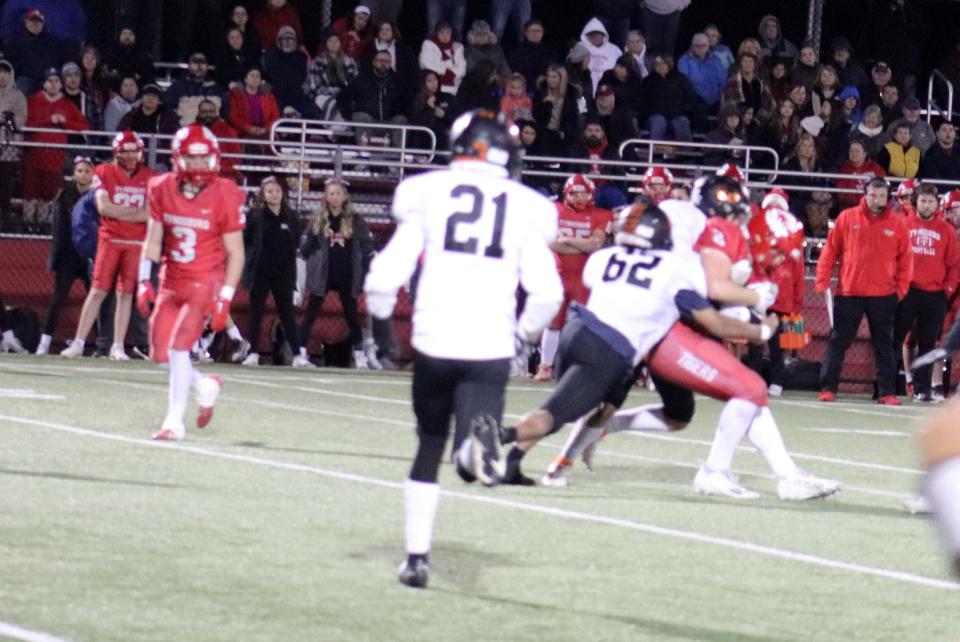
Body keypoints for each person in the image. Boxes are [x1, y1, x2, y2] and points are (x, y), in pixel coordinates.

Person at [535, 176, 840, 500]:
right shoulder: (693, 228)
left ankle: (566, 460)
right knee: (749, 388)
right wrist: (754, 306)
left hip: (667, 325)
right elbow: (709, 290)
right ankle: (731, 473)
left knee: (678, 414)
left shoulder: (708, 233)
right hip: (660, 329)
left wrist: (747, 297)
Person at [363, 110, 563, 588]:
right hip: (489, 342)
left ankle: (416, 559)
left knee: (428, 444)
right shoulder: (528, 206)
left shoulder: (426, 193)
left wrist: (382, 326)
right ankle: (475, 449)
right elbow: (548, 294)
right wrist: (523, 336)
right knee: (471, 447)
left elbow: (385, 273)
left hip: (434, 338)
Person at [137, 124, 245, 441]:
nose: (199, 166)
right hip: (171, 281)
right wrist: (144, 279)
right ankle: (203, 384)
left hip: (205, 281)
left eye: (204, 158)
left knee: (180, 347)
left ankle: (174, 421)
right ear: (178, 159)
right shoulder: (161, 187)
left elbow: (236, 254)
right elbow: (153, 240)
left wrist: (225, 296)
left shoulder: (225, 192)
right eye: (192, 159)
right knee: (160, 356)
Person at [815, 177, 913, 404]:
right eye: (873, 195)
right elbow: (829, 252)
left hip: (884, 295)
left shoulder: (898, 224)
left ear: (888, 196)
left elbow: (906, 261)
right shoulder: (847, 218)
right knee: (838, 341)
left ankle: (887, 392)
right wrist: (822, 280)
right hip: (849, 292)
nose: (876, 199)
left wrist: (900, 291)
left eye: (881, 195)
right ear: (865, 195)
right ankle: (828, 388)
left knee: (884, 345)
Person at [61, 132, 158, 360]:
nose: (131, 155)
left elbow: (152, 213)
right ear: (117, 152)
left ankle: (118, 346)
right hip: (110, 240)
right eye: (126, 150)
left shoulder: (151, 177)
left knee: (125, 295)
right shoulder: (104, 172)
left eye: (134, 150)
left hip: (135, 244)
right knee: (98, 291)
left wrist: (122, 212)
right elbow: (104, 208)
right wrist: (137, 214)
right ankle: (78, 342)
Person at [534, 174, 612, 382]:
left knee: (585, 326)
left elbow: (595, 244)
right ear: (566, 193)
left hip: (585, 278)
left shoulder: (601, 214)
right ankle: (545, 366)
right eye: (575, 192)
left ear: (592, 194)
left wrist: (566, 239)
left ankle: (583, 369)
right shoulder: (555, 209)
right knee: (553, 322)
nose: (579, 197)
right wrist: (581, 244)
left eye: (584, 192)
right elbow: (549, 242)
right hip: (557, 275)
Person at [298, 179, 374, 368]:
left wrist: (365, 266)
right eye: (331, 193)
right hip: (323, 273)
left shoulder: (355, 219)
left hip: (346, 274)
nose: (335, 197)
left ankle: (360, 357)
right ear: (326, 196)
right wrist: (310, 242)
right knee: (310, 314)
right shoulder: (318, 218)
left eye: (338, 193)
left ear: (344, 196)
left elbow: (367, 246)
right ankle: (299, 353)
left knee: (351, 316)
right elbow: (305, 247)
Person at [895, 182, 958, 402]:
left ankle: (922, 389)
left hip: (934, 295)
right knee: (895, 339)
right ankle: (886, 387)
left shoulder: (947, 231)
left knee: (928, 344)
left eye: (931, 201)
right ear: (915, 201)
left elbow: (954, 264)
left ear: (937, 204)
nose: (927, 204)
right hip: (907, 291)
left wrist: (946, 290)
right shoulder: (903, 224)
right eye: (923, 200)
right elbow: (894, 257)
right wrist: (898, 286)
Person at [238, 175, 305, 367]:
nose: (274, 195)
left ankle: (297, 355)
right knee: (256, 312)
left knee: (287, 314)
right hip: (260, 271)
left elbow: (295, 243)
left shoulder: (291, 216)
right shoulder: (256, 215)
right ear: (263, 195)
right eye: (270, 192)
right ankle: (253, 353)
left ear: (282, 193)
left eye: (277, 191)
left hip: (283, 272)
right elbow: (246, 240)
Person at [36, 157, 95, 355]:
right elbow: (58, 230)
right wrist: (56, 257)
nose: (84, 174)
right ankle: (44, 343)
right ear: (73, 173)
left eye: (87, 171)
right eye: (80, 171)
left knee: (95, 299)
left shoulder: (98, 196)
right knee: (58, 299)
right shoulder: (64, 195)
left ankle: (103, 344)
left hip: (89, 255)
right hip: (68, 257)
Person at [22, 67, 88, 229]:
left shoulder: (67, 104)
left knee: (48, 194)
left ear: (61, 84)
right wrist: (48, 120)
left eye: (56, 81)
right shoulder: (34, 100)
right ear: (44, 84)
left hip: (55, 157)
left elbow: (83, 126)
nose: (53, 85)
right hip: (34, 155)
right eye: (50, 81)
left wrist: (63, 122)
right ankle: (27, 224)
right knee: (30, 192)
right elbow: (26, 124)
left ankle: (43, 225)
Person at [304, 29, 359, 123]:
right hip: (323, 94)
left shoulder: (349, 60)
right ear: (326, 44)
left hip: (345, 94)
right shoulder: (317, 61)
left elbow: (355, 82)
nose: (334, 43)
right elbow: (314, 85)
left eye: (336, 41)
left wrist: (344, 93)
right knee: (334, 104)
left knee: (347, 103)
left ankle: (337, 130)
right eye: (330, 41)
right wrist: (332, 92)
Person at [162, 52, 225, 127]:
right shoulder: (178, 86)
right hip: (188, 131)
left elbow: (225, 111)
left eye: (203, 63)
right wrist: (179, 122)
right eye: (195, 63)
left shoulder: (216, 87)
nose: (199, 66)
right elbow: (167, 107)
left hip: (213, 132)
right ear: (189, 66)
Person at [0, 59, 26, 226]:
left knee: (5, 186)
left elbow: (22, 120)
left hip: (8, 148)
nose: (2, 75)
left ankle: (4, 219)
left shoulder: (18, 96)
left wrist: (10, 119)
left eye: (5, 72)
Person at [227, 66, 281, 141]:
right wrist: (249, 128)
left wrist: (265, 129)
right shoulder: (236, 95)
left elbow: (275, 116)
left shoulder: (269, 97)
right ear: (245, 79)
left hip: (265, 132)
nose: (255, 78)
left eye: (257, 76)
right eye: (252, 76)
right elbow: (234, 117)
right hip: (243, 132)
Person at [677, 33, 726, 113]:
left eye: (703, 45)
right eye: (697, 45)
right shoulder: (684, 61)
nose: (700, 48)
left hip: (716, 102)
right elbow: (685, 84)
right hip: (694, 103)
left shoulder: (716, 60)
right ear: (692, 46)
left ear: (708, 46)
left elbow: (722, 81)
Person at [418, 21, 466, 99]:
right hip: (435, 89)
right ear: (437, 33)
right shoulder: (428, 44)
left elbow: (462, 70)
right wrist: (448, 68)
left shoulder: (458, 47)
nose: (445, 36)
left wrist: (440, 65)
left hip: (455, 88)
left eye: (448, 32)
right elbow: (426, 65)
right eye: (442, 32)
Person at [506, 19, 554, 90]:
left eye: (538, 31)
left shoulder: (549, 51)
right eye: (531, 31)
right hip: (522, 87)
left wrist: (545, 77)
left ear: (543, 33)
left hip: (544, 86)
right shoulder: (516, 50)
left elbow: (553, 69)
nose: (535, 33)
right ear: (525, 33)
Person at [579, 18, 621, 97]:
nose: (594, 36)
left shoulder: (614, 50)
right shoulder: (580, 47)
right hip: (584, 86)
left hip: (609, 87)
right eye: (591, 34)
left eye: (597, 33)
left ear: (603, 34)